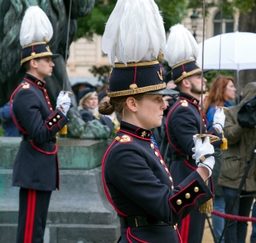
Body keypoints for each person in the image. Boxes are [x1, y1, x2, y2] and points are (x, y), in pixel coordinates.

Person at [99, 1, 216, 242]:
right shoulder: (125, 152)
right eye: (157, 99)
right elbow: (168, 208)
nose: (164, 105)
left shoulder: (140, 141)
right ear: (132, 104)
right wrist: (203, 171)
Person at [11, 7, 71, 243]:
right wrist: (60, 113)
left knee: (37, 227)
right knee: (30, 231)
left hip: (40, 167)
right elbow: (39, 133)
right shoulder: (27, 93)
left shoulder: (37, 90)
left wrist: (58, 112)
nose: (52, 64)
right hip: (34, 167)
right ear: (33, 62)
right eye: (47, 59)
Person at [164, 24, 225, 243]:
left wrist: (214, 131)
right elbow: (195, 148)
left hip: (191, 176)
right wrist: (216, 130)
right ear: (186, 82)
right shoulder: (183, 110)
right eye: (200, 77)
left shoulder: (190, 107)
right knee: (188, 237)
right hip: (186, 177)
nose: (205, 79)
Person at [218, 82, 256, 243]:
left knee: (243, 220)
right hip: (232, 175)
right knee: (231, 219)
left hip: (250, 176)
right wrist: (243, 121)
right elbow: (229, 137)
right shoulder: (231, 113)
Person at [203, 76, 236, 243]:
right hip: (220, 161)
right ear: (222, 89)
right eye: (231, 86)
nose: (235, 89)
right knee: (220, 203)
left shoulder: (229, 107)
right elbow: (215, 136)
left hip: (229, 161)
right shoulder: (217, 110)